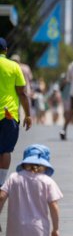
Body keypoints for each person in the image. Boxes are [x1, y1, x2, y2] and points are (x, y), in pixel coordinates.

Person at [0, 144, 63, 235]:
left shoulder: (13, 178)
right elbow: (54, 206)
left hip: (15, 229)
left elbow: (1, 197)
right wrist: (56, 228)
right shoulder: (47, 181)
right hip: (38, 229)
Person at [0, 37, 32, 187]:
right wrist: (28, 115)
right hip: (8, 114)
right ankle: (1, 182)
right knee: (5, 150)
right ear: (6, 50)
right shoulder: (14, 66)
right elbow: (22, 93)